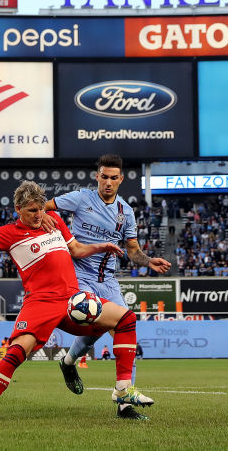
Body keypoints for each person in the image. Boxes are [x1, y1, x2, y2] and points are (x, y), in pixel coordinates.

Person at [0, 180, 154, 428]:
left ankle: (123, 390)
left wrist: (100, 247)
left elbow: (77, 249)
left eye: (40, 209)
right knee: (16, 354)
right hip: (40, 303)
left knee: (126, 319)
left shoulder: (54, 221)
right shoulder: (9, 233)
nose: (39, 215)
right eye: (32, 211)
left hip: (72, 300)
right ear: (18, 209)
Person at [44, 154, 170, 420]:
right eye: (104, 177)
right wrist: (48, 225)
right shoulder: (80, 198)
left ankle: (115, 397)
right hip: (79, 275)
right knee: (104, 325)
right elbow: (44, 208)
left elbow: (133, 251)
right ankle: (120, 396)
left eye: (114, 178)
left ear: (121, 179)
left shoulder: (126, 212)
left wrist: (148, 261)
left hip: (108, 280)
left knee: (121, 327)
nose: (109, 182)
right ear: (97, 177)